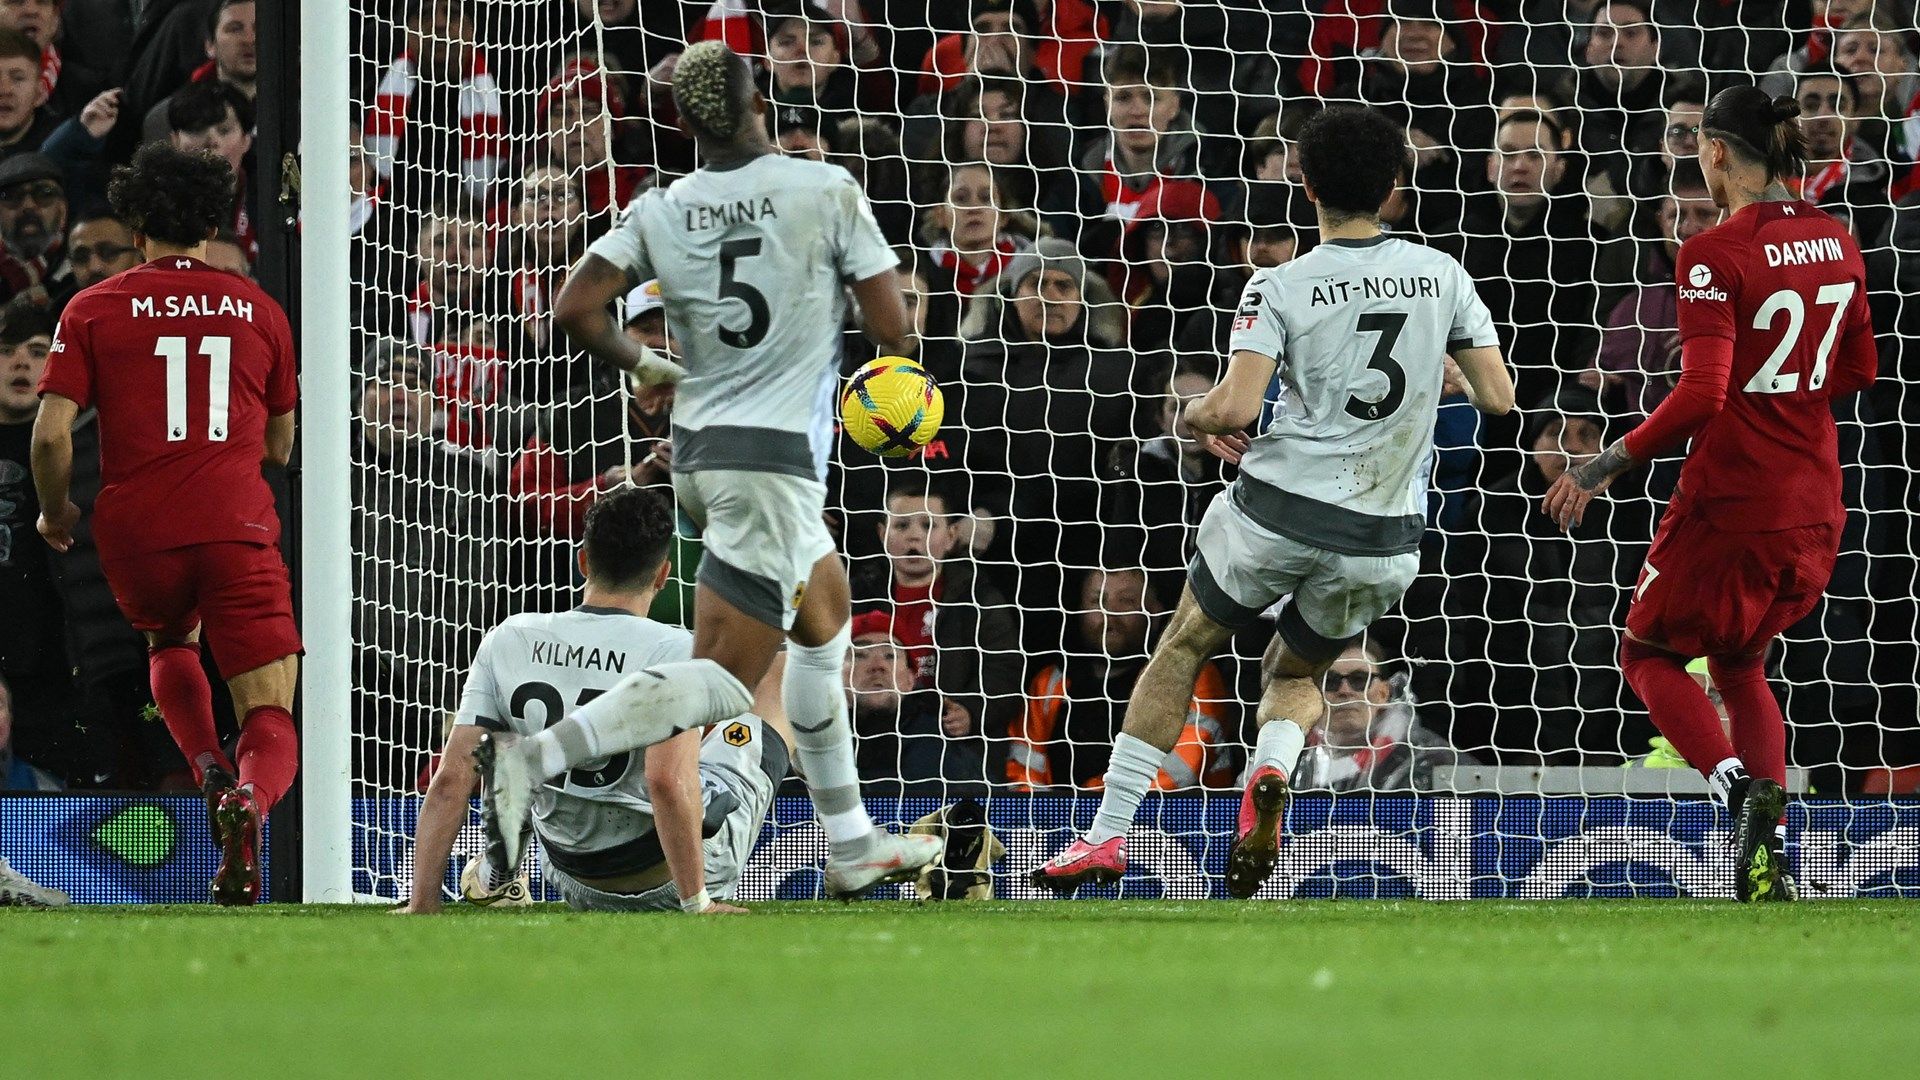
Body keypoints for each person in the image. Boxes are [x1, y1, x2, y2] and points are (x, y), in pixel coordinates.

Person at [1029, 104, 1513, 897]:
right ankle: (1272, 775)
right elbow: (1497, 397)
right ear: (1396, 185)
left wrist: (1191, 413)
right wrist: (1436, 376)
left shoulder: (1280, 282)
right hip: (1385, 536)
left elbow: (1231, 411)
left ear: (1308, 183)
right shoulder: (1444, 275)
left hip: (1277, 512)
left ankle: (1106, 835)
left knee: (1184, 645)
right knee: (1295, 667)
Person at [511, 41, 941, 905]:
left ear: (684, 121)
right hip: (769, 462)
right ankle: (530, 757)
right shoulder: (823, 191)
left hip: (708, 454)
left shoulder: (664, 207)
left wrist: (653, 368)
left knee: (823, 621)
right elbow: (893, 326)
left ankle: (852, 842)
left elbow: (574, 308)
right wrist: (894, 369)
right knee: (725, 675)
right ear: (762, 103)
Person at [1542, 86, 1879, 903]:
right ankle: (1770, 853)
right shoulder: (1837, 238)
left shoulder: (1711, 253)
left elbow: (1701, 396)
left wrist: (1599, 463)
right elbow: (1860, 371)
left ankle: (1738, 793)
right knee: (1740, 662)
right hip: (1815, 499)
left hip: (1733, 499)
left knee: (1646, 652)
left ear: (1718, 152)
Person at [31, 144, 301, 906]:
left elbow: (51, 434)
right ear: (216, 219)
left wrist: (56, 510)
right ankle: (248, 794)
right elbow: (280, 448)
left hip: (136, 527)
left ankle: (206, 764)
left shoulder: (93, 306)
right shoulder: (261, 309)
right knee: (270, 704)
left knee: (168, 641)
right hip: (234, 523)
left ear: (136, 219)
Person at [403, 488, 789, 915]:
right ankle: (847, 831)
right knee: (776, 678)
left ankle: (501, 866)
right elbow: (665, 781)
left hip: (569, 876)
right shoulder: (677, 650)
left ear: (583, 560)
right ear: (663, 575)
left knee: (519, 743)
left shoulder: (509, 637)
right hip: (665, 882)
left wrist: (422, 904)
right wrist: (698, 903)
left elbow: (451, 780)